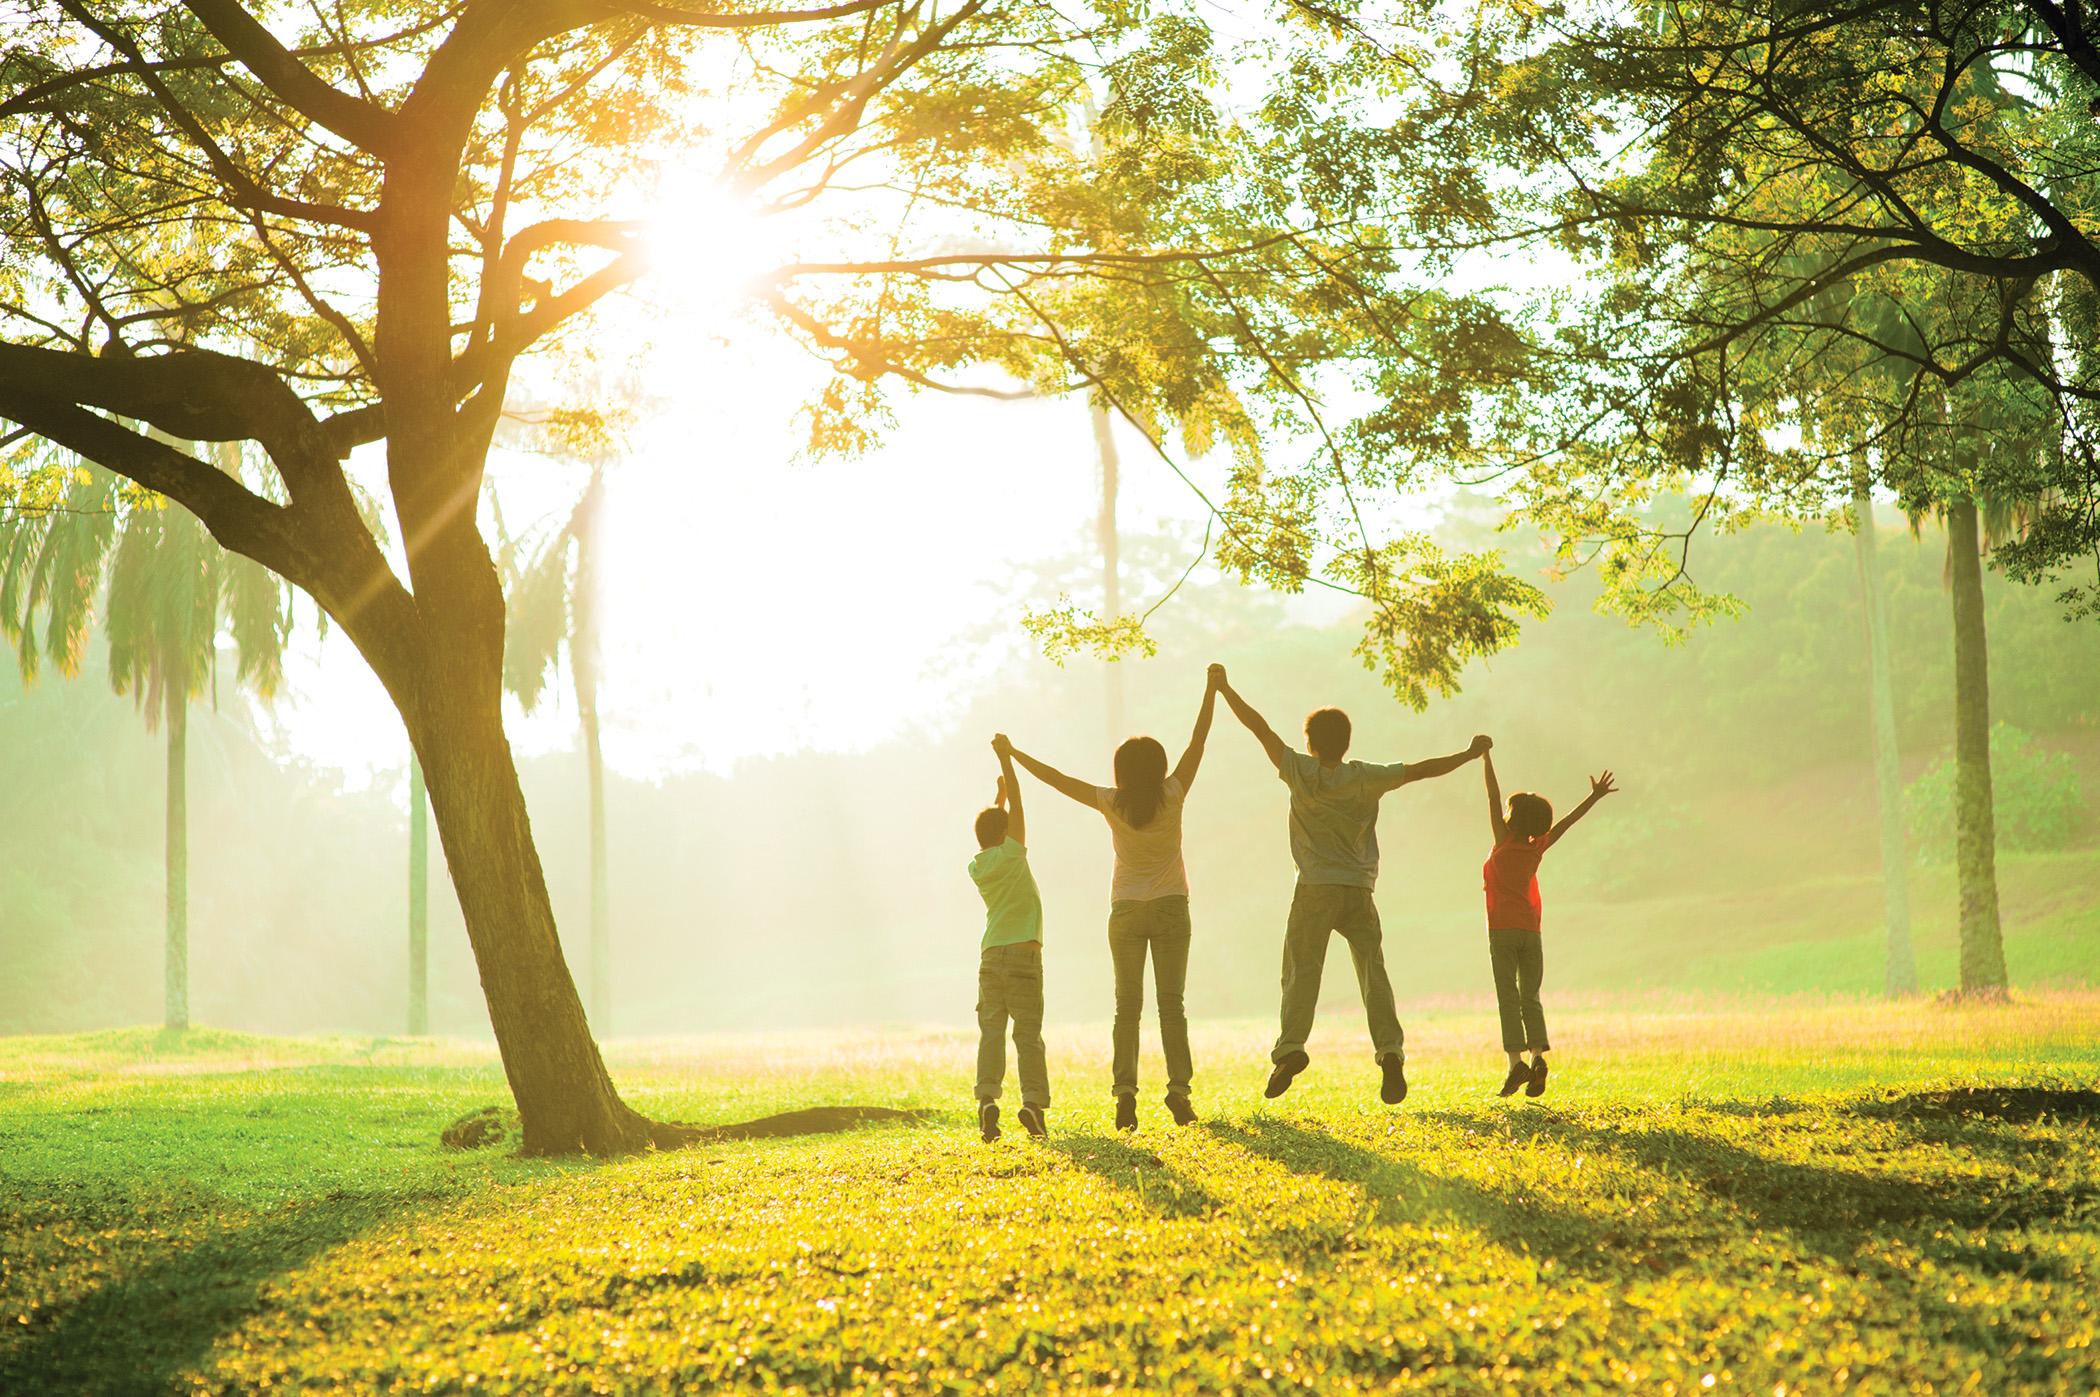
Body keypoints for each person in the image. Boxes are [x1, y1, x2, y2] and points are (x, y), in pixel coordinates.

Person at [1212, 666, 1489, 1104]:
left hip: (1315, 889)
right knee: (1373, 973)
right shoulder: (1365, 776)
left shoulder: (1298, 771)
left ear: (1310, 743)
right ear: (1347, 743)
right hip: (1359, 891)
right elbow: (1422, 770)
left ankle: (1290, 1050)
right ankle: (1390, 1051)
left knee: (1301, 971)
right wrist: (1469, 753)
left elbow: (1259, 728)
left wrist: (1225, 688)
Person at [997, 669, 1219, 1132]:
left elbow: (1057, 779)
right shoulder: (1174, 792)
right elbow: (1198, 742)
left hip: (1125, 912)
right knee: (1171, 1003)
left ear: (1121, 771)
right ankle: (1179, 1092)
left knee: (1127, 1006)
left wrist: (1012, 756)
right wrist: (1211, 689)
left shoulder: (1110, 801)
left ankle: (1125, 1096)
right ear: (1159, 768)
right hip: (1172, 907)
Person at [1482, 752, 1616, 1099]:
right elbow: (1568, 822)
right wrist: (1595, 796)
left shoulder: (1503, 841)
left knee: (1508, 998)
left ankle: (1515, 1065)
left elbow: (1493, 796)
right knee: (1531, 997)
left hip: (1502, 931)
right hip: (1531, 931)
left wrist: (1485, 757)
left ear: (1511, 819)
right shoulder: (1538, 847)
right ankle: (1538, 1056)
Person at [968, 739, 1048, 1142]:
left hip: (989, 956)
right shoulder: (1015, 854)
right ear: (1006, 833)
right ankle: (1032, 1105)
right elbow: (1018, 803)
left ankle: (987, 1100)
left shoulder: (978, 865)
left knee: (992, 1032)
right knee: (1028, 1035)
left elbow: (992, 826)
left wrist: (995, 797)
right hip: (1022, 956)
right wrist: (1006, 759)